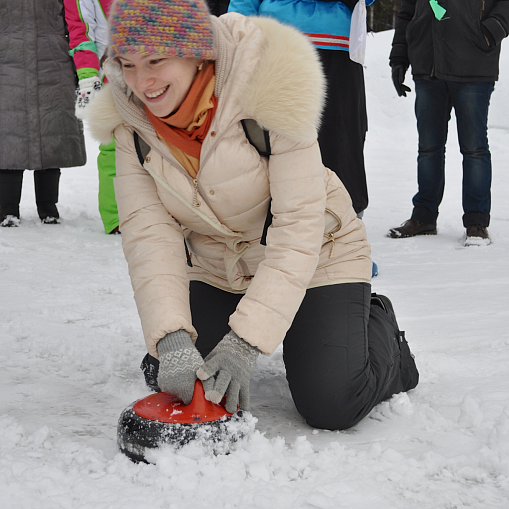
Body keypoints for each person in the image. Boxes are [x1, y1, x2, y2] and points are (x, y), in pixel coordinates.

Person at [88, 0, 418, 430]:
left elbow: (299, 225)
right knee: (168, 371)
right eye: (127, 63)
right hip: (218, 264)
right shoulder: (130, 121)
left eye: (156, 59)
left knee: (332, 401)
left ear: (195, 51)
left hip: (318, 253)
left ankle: (376, 325)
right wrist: (170, 337)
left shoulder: (269, 85)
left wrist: (245, 342)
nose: (142, 81)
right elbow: (149, 234)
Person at [227, 0, 378, 275]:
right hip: (278, 49)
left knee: (342, 147)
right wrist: (238, 39)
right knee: (274, 148)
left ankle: (345, 244)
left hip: (338, 51)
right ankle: (270, 246)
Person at [388, 0, 509, 246]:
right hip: (427, 64)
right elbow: (407, 11)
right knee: (429, 148)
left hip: (473, 63)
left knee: (474, 149)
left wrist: (490, 31)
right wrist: (399, 56)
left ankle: (476, 223)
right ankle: (424, 217)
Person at [0, 0, 86, 227]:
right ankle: (7, 210)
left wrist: (81, 65)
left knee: (52, 136)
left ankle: (48, 207)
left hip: (53, 64)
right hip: (8, 64)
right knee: (8, 137)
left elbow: (76, 20)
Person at [64, 0, 120, 234]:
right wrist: (87, 75)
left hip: (153, 68)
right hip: (110, 75)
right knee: (114, 149)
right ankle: (117, 218)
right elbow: (80, 30)